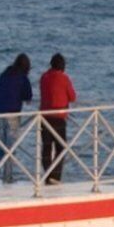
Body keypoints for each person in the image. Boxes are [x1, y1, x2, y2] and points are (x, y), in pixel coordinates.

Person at [0, 52, 33, 180]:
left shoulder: (4, 75)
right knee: (10, 147)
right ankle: (7, 177)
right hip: (12, 113)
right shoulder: (22, 77)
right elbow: (28, 95)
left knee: (0, 145)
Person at [37, 53, 77, 183]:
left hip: (44, 117)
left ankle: (48, 175)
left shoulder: (44, 77)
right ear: (63, 66)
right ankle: (55, 175)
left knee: (46, 147)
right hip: (58, 117)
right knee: (61, 148)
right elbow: (72, 97)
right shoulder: (64, 78)